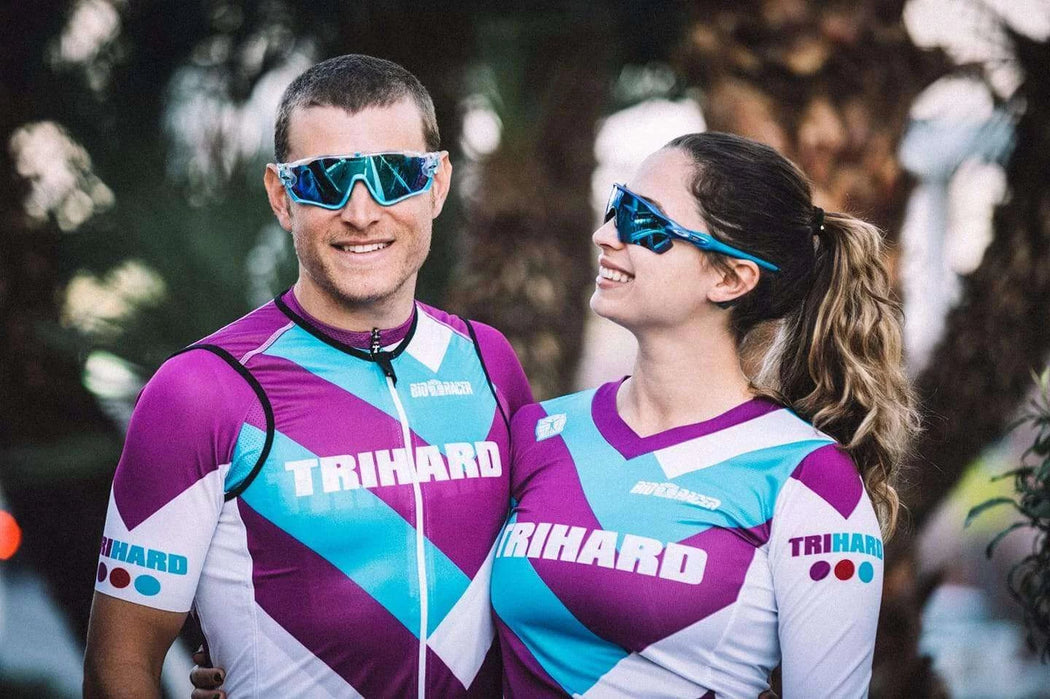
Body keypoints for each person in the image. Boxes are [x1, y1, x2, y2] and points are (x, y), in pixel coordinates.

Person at [83, 54, 532, 698]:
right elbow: (116, 667)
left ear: (437, 185)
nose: (361, 211)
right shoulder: (201, 391)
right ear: (281, 196)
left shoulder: (489, 362)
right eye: (326, 180)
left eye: (395, 174)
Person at [489, 132, 919, 697]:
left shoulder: (811, 480)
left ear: (729, 278)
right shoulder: (537, 433)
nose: (605, 234)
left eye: (643, 221)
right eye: (618, 205)